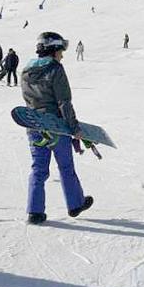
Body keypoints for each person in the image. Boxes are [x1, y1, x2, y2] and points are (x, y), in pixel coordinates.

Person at [19, 32, 93, 223]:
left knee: (38, 168)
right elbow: (64, 102)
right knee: (66, 166)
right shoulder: (55, 69)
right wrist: (74, 127)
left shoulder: (26, 71)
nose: (62, 55)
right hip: (57, 127)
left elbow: (28, 100)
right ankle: (75, 203)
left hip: (34, 126)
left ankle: (34, 212)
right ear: (53, 50)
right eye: (61, 50)